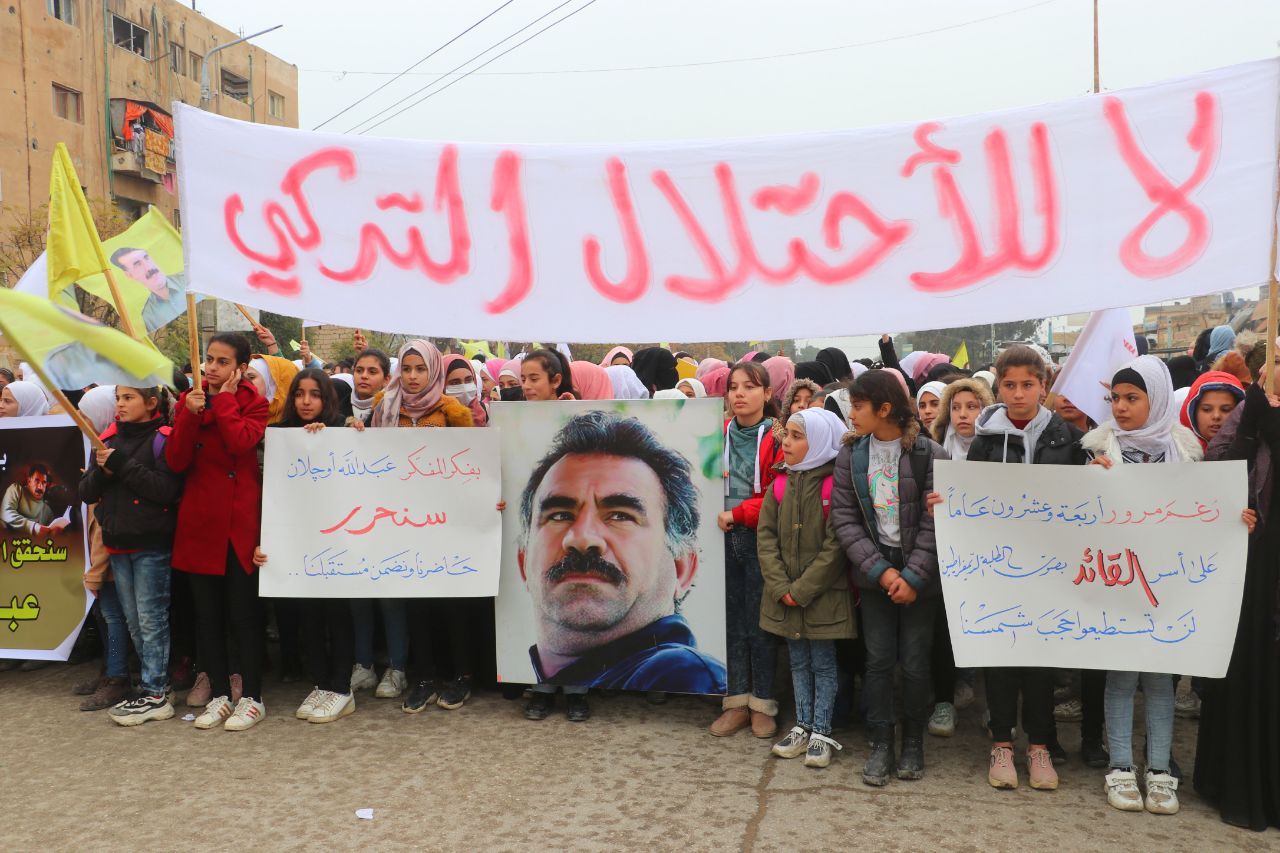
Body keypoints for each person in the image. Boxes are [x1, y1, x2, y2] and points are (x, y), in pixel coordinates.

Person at [1081, 355, 1243, 815]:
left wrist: (1237, 518)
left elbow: (1207, 512)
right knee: (1120, 678)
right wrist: (1089, 485)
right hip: (1116, 582)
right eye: (1115, 398)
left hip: (1170, 585)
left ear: (1156, 400)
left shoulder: (1188, 452)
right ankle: (1120, 767)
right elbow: (1074, 517)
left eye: (1132, 398)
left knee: (1159, 679)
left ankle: (1158, 771)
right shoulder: (1094, 450)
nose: (1121, 407)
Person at [516, 410, 726, 700]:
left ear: (681, 568)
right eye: (560, 515)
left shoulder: (684, 675)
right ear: (523, 564)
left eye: (619, 515)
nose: (582, 538)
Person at [964, 344, 1087, 790]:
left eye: (1028, 385)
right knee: (999, 658)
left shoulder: (1067, 437)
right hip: (998, 568)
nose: (1018, 394)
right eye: (1010, 385)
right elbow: (969, 498)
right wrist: (949, 503)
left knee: (1040, 662)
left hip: (1050, 569)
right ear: (998, 386)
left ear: (1044, 386)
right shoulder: (984, 440)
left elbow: (1085, 500)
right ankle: (1001, 745)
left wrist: (1103, 476)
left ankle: (1039, 747)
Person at [831, 370, 946, 786]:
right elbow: (844, 520)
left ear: (884, 408)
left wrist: (913, 576)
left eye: (858, 406)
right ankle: (881, 742)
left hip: (920, 577)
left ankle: (913, 743)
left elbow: (937, 522)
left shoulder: (930, 453)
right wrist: (882, 572)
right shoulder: (851, 455)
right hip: (875, 573)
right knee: (877, 662)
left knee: (915, 662)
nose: (851, 415)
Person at [167, 332, 270, 732]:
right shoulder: (189, 401)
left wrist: (223, 401)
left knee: (243, 615)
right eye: (209, 359)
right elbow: (176, 461)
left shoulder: (255, 403)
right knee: (206, 617)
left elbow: (241, 442)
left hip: (238, 524)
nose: (211, 368)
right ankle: (220, 696)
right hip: (199, 522)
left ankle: (253, 697)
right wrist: (189, 415)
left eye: (222, 362)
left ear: (241, 368)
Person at [1196, 361, 1280, 830]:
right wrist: (1252, 424)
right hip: (1253, 566)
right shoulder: (1248, 413)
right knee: (1248, 666)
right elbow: (1219, 476)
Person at [372, 340, 476, 715]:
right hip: (402, 520)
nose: (413, 377)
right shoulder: (384, 407)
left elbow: (473, 463)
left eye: (421, 369)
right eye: (407, 369)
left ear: (433, 372)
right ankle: (424, 678)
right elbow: (371, 458)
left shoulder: (452, 411)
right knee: (416, 601)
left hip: (447, 521)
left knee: (452, 600)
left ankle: (461, 676)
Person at [254, 369, 359, 724]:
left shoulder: (340, 429)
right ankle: (321, 683)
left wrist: (345, 432)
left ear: (327, 398)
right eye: (299, 394)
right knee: (308, 616)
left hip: (338, 542)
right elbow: (272, 494)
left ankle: (341, 688)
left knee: (337, 615)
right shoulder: (280, 435)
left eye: (315, 394)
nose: (306, 401)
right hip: (299, 543)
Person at [78, 385, 182, 726]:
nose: (120, 405)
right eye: (118, 399)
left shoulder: (164, 439)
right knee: (134, 621)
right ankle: (156, 684)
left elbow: (165, 490)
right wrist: (103, 472)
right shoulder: (107, 438)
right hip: (117, 545)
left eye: (128, 398)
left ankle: (155, 693)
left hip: (151, 545)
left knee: (152, 620)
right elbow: (86, 491)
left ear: (151, 403)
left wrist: (121, 465)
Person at [758, 408, 853, 769]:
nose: (786, 442)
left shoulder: (833, 485)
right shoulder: (780, 483)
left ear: (820, 442)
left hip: (822, 596)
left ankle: (822, 731)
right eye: (787, 434)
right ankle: (802, 725)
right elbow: (766, 537)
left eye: (797, 437)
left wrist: (802, 589)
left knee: (824, 664)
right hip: (785, 594)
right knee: (798, 661)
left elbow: (836, 546)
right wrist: (780, 584)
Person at [710, 361, 783, 739]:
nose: (739, 394)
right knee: (732, 622)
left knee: (760, 622)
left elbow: (777, 494)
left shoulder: (778, 437)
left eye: (749, 387)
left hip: (760, 538)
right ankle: (736, 702)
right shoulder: (715, 432)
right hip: (720, 536)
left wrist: (738, 513)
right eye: (733, 387)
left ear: (767, 394)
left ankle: (763, 703)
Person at [923, 377, 993, 736]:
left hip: (990, 558)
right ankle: (944, 703)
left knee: (991, 629)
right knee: (943, 630)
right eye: (956, 408)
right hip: (944, 557)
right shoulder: (935, 451)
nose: (963, 414)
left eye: (972, 406)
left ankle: (994, 708)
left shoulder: (999, 448)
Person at [109, 246, 189, 334]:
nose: (149, 267)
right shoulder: (149, 316)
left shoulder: (190, 278)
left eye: (146, 258)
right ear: (129, 275)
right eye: (137, 264)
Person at [1179, 370, 1245, 452]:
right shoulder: (1174, 453)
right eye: (1206, 409)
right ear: (1192, 412)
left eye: (1225, 410)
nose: (1216, 416)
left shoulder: (1252, 451)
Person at [2, 463, 69, 536]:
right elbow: (5, 513)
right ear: (29, 481)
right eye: (37, 481)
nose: (40, 487)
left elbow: (51, 533)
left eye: (43, 482)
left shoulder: (47, 511)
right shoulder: (16, 490)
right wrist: (33, 527)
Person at [347, 348, 391, 426]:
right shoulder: (336, 408)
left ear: (386, 379)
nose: (364, 376)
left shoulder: (393, 409)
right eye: (359, 371)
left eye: (372, 372)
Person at [444, 354, 489, 426]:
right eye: (455, 383)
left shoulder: (484, 410)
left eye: (468, 380)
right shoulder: (434, 418)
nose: (464, 389)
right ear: (441, 385)